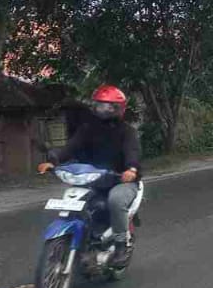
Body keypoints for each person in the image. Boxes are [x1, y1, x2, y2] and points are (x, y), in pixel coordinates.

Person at [38, 84, 142, 267]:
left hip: (120, 180)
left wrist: (131, 169)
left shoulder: (127, 132)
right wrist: (53, 161)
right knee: (78, 201)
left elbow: (132, 153)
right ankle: (82, 240)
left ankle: (120, 246)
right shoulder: (88, 128)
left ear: (119, 108)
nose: (104, 110)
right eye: (100, 105)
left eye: (109, 106)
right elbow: (71, 147)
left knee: (116, 200)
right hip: (92, 179)